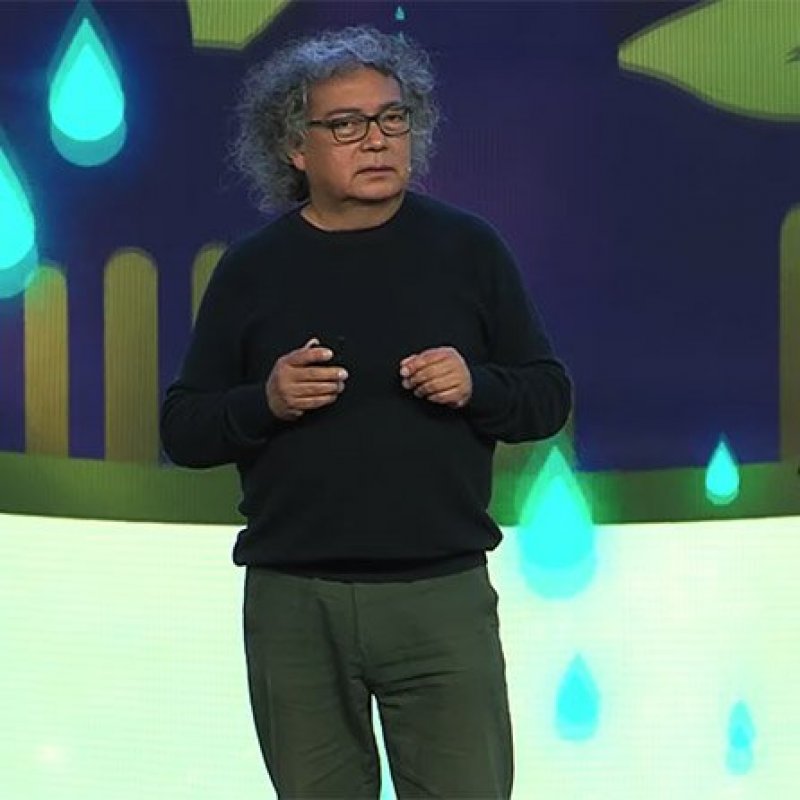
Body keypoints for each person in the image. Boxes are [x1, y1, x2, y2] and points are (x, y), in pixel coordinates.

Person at [160, 25, 571, 800]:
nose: (377, 140)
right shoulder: (252, 270)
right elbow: (184, 428)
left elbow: (546, 396)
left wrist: (478, 386)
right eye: (346, 124)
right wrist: (265, 401)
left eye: (392, 118)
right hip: (295, 603)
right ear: (295, 147)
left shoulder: (469, 250)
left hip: (441, 596)